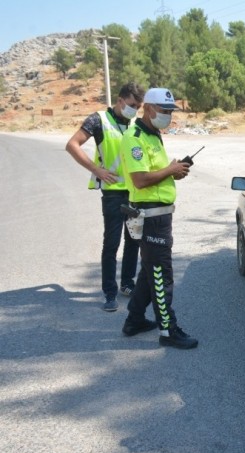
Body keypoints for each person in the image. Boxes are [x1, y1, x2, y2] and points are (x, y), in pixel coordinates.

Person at [119, 87, 198, 349]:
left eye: (171, 111)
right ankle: (168, 330)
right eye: (165, 111)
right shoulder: (135, 137)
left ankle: (135, 320)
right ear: (149, 108)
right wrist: (169, 169)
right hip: (150, 217)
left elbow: (156, 173)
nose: (168, 116)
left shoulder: (154, 135)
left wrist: (172, 172)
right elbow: (140, 180)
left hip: (160, 216)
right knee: (161, 273)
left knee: (149, 271)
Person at [65, 82, 145, 312]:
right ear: (119, 100)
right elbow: (72, 145)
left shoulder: (134, 123)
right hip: (113, 193)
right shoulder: (98, 119)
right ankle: (109, 293)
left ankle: (127, 284)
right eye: (131, 105)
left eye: (138, 106)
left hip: (135, 191)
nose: (134, 110)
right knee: (112, 243)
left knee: (134, 240)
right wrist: (96, 169)